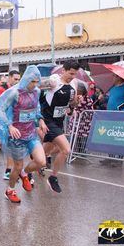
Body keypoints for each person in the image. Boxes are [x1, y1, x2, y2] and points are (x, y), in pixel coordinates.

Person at [0, 66, 48, 203]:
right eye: (32, 81)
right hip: (16, 136)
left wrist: (41, 120)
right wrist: (9, 126)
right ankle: (10, 190)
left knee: (41, 161)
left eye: (37, 82)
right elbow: (0, 109)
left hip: (30, 133)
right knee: (16, 167)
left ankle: (24, 173)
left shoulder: (36, 91)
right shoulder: (14, 92)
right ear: (27, 79)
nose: (35, 84)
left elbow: (37, 108)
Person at [40, 60, 79, 193]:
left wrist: (75, 103)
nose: (72, 76)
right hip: (48, 120)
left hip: (59, 121)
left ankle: (28, 170)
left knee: (43, 153)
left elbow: (71, 104)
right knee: (66, 150)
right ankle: (53, 177)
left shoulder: (74, 84)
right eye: (70, 73)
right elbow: (36, 88)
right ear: (63, 70)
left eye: (75, 74)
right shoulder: (54, 80)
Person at [0, 70, 21, 179]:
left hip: (10, 122)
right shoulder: (1, 89)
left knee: (10, 144)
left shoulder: (17, 90)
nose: (17, 81)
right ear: (9, 78)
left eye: (19, 79)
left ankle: (8, 170)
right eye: (15, 79)